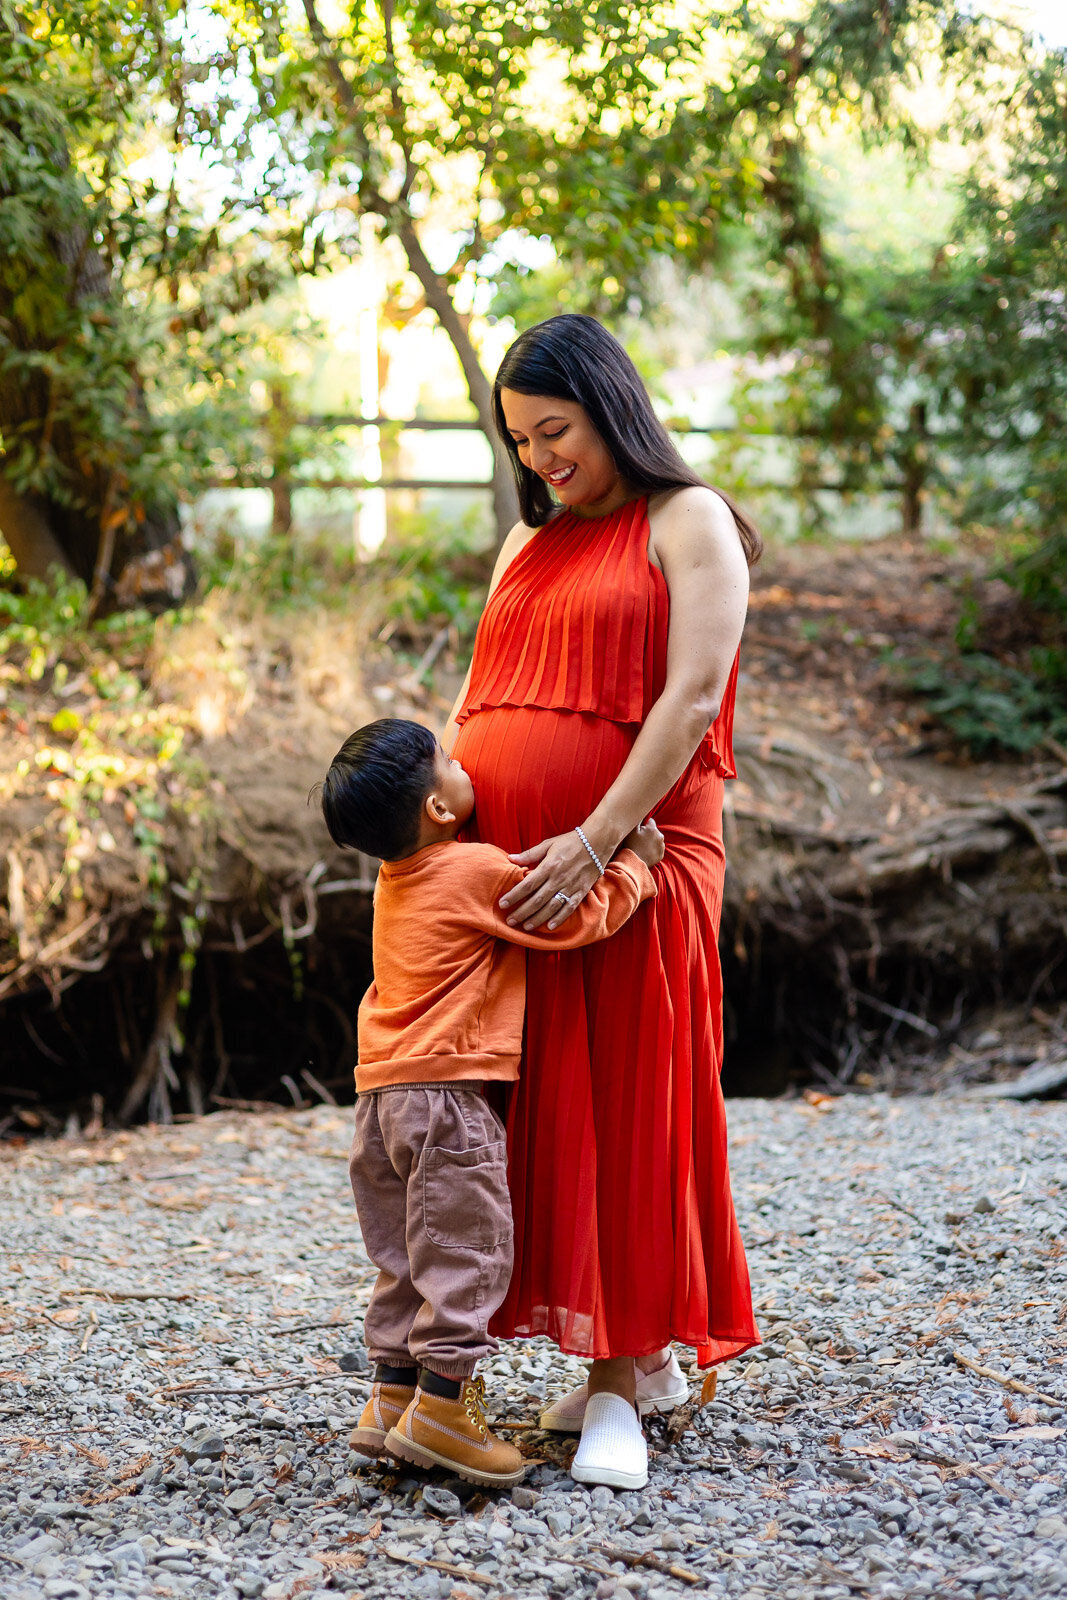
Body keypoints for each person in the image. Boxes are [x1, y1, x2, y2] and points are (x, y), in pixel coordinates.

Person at [443, 313, 762, 1491]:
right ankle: (620, 1358)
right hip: (523, 870)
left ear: (608, 405)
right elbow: (480, 704)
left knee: (626, 1090)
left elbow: (685, 707)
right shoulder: (522, 548)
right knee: (539, 1106)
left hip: (640, 856)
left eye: (554, 430)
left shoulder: (691, 522)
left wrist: (592, 834)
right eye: (519, 440)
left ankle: (622, 1381)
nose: (538, 458)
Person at [317, 716, 663, 1489]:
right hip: (446, 1101)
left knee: (401, 1257)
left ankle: (390, 1401)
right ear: (439, 808)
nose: (460, 758)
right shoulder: (472, 867)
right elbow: (569, 916)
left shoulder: (393, 878)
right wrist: (635, 871)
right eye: (447, 758)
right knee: (463, 1256)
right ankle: (444, 1412)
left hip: (379, 1099)